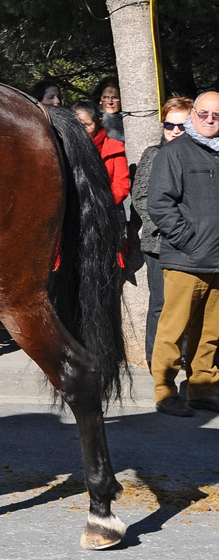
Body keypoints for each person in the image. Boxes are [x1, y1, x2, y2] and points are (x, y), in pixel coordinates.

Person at [147, 91, 219, 417]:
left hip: (217, 261)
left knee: (210, 335)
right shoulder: (174, 153)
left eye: (216, 115)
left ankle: (202, 389)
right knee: (172, 332)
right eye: (203, 113)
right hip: (185, 260)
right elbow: (159, 204)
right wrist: (188, 241)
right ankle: (165, 393)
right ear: (193, 115)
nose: (209, 119)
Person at [130, 96, 194, 367]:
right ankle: (156, 359)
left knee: (193, 304)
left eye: (182, 125)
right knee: (161, 304)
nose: (175, 131)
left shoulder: (202, 155)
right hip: (160, 243)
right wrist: (171, 229)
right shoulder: (154, 155)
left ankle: (189, 356)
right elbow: (141, 197)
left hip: (195, 244)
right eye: (170, 125)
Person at [73, 102, 130, 205]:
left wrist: (102, 203)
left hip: (108, 208)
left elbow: (121, 185)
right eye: (78, 126)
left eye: (87, 125)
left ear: (98, 122)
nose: (82, 131)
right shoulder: (67, 149)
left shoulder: (114, 148)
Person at [94, 77, 124, 142]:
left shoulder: (124, 115)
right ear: (100, 100)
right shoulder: (102, 118)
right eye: (105, 97)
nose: (110, 102)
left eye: (115, 98)